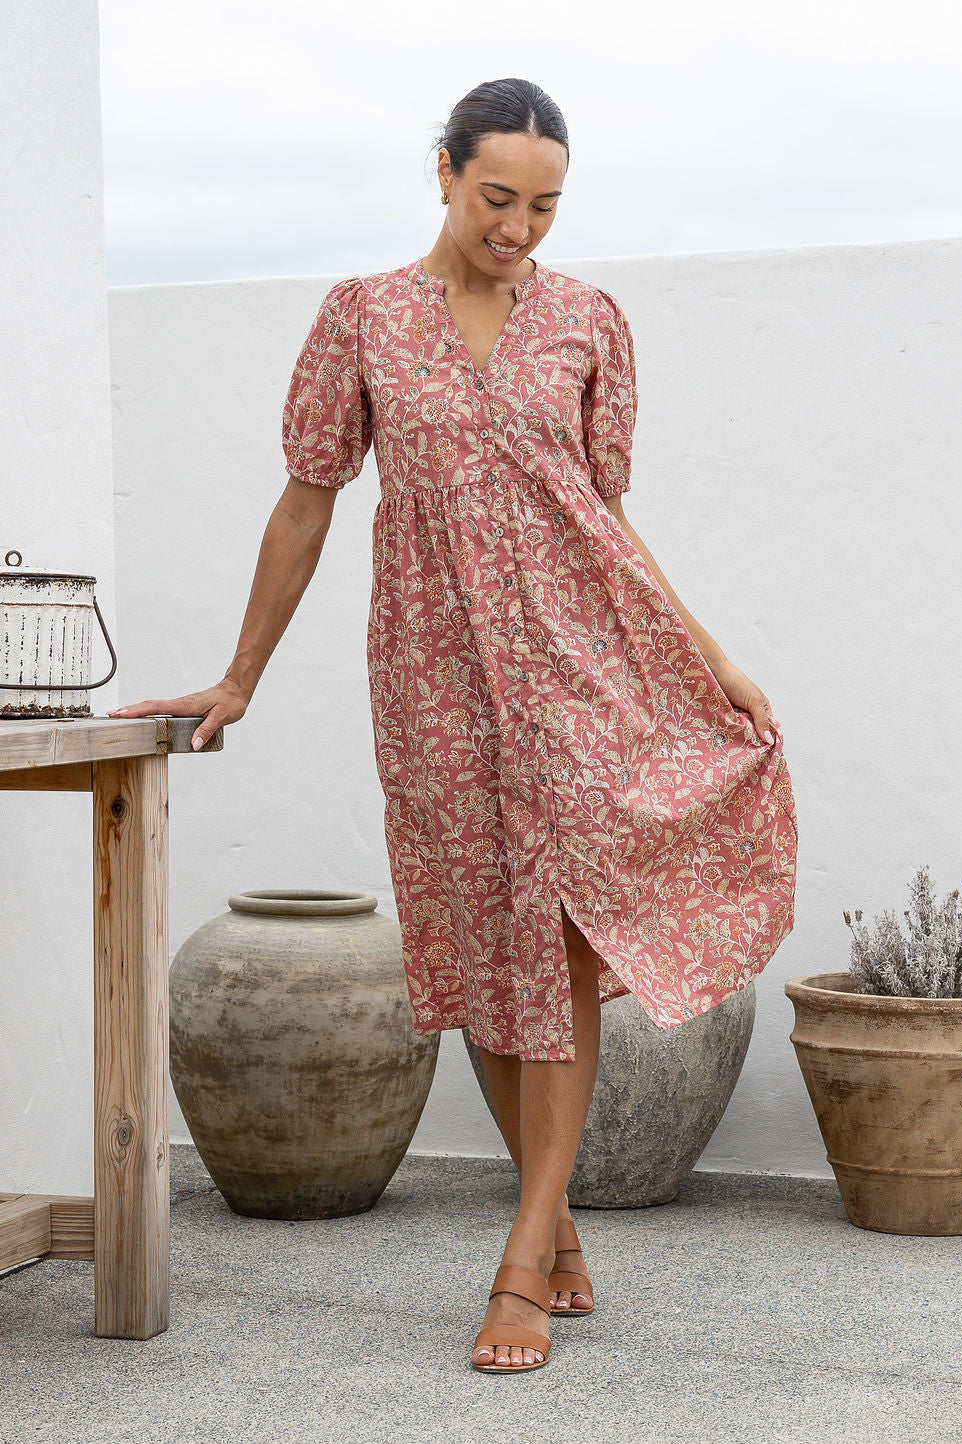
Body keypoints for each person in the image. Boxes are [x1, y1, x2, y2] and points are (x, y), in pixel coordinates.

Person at [109, 77, 798, 1374]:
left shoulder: (592, 320)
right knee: (483, 943)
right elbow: (308, 502)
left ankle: (526, 1259)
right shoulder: (361, 318)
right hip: (431, 680)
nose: (519, 226)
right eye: (497, 198)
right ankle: (558, 1222)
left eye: (543, 204)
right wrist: (239, 673)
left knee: (557, 935)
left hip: (582, 671)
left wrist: (710, 661)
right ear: (442, 173)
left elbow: (602, 519)